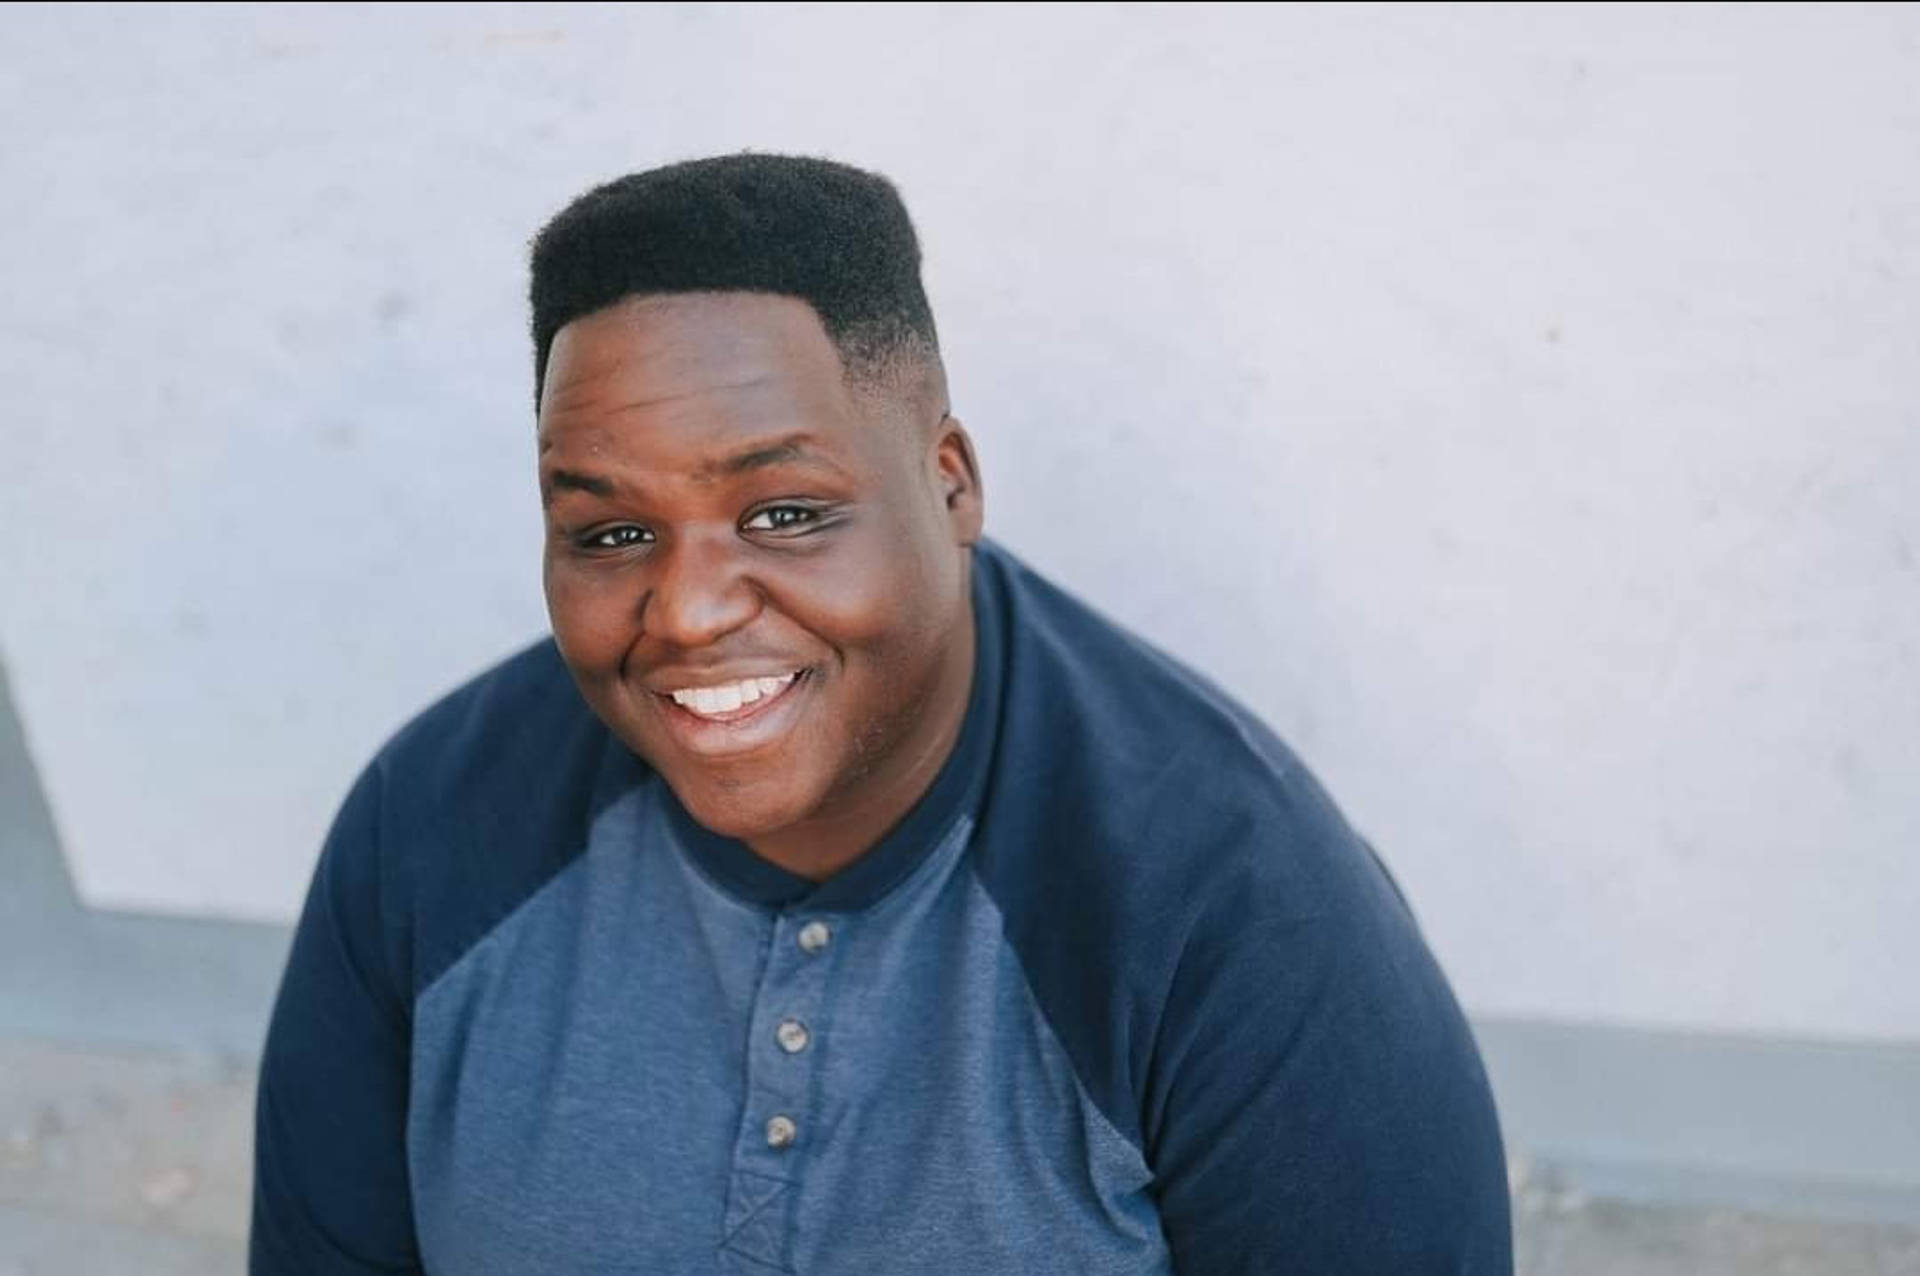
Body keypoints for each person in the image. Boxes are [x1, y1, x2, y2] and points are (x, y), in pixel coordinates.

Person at [251, 152, 1512, 1275]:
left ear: (949, 481)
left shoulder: (1234, 912)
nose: (686, 610)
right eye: (612, 532)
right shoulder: (427, 830)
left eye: (784, 512)